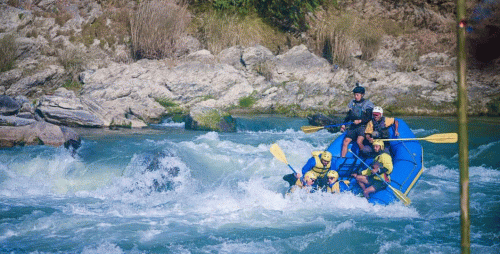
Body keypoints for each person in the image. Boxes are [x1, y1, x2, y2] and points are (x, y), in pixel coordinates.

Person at [340, 83, 374, 157]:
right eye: (355, 95)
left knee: (359, 141)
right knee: (345, 142)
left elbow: (369, 117)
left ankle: (365, 155)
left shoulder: (367, 104)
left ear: (362, 95)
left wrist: (360, 121)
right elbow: (348, 116)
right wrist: (344, 124)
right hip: (353, 126)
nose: (356, 97)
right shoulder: (352, 103)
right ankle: (342, 158)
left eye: (358, 95)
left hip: (362, 127)